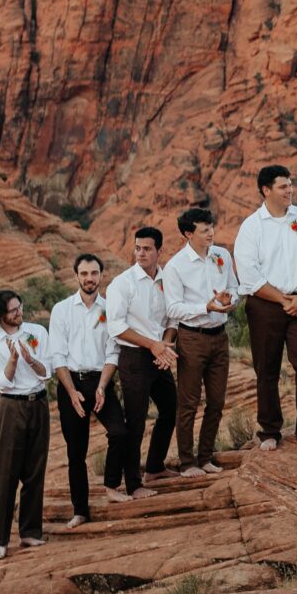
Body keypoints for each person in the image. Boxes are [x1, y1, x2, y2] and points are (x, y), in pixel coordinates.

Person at [234, 164, 297, 447]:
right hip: (265, 306)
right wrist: (281, 299)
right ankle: (270, 431)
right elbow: (249, 275)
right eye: (283, 186)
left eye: (290, 185)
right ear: (266, 190)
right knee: (267, 370)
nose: (290, 191)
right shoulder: (251, 227)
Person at [46, 253, 123, 526]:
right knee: (76, 451)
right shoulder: (62, 309)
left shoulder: (110, 308)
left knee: (119, 431)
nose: (89, 278)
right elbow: (57, 356)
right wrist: (71, 392)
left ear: (101, 275)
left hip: (100, 380)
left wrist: (102, 386)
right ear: (76, 276)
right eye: (84, 274)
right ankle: (80, 511)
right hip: (72, 384)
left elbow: (113, 351)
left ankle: (113, 487)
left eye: (94, 273)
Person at [163, 205, 238, 477]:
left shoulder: (222, 255)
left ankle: (205, 457)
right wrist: (205, 308)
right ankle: (187, 462)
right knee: (189, 403)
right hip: (192, 338)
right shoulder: (175, 267)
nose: (211, 234)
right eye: (204, 230)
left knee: (217, 401)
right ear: (188, 234)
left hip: (220, 338)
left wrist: (231, 300)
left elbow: (234, 287)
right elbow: (172, 308)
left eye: (211, 228)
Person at [104, 225, 179, 494]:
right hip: (134, 356)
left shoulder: (167, 279)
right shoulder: (122, 284)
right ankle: (133, 484)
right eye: (137, 248)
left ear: (160, 251)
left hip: (159, 354)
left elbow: (172, 318)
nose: (141, 253)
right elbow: (116, 327)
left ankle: (155, 468)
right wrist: (153, 346)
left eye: (147, 249)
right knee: (135, 420)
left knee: (171, 408)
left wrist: (165, 346)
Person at [0, 288, 50, 560]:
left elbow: (48, 372)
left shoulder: (37, 333)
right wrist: (12, 360)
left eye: (20, 307)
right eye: (13, 310)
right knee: (7, 473)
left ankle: (30, 532)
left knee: (35, 470)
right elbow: (1, 382)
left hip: (38, 403)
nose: (19, 313)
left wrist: (31, 360)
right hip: (11, 406)